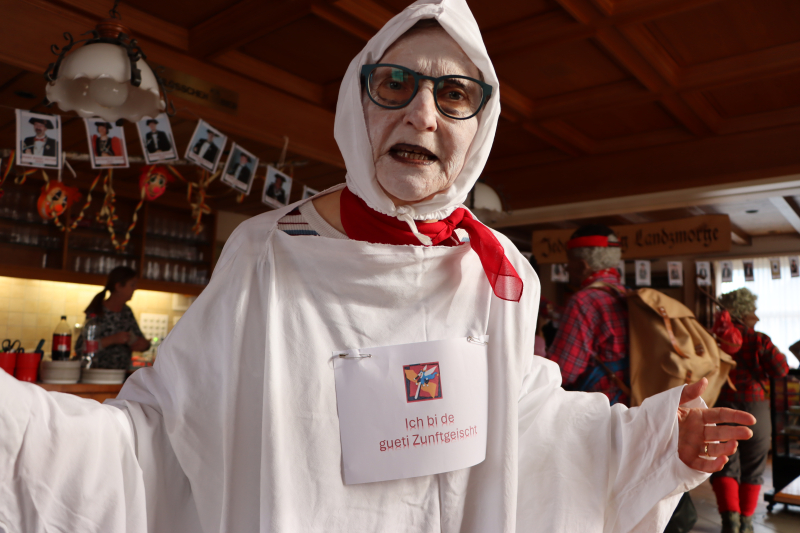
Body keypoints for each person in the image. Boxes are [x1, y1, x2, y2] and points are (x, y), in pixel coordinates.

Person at [0, 2, 756, 531]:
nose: (421, 113)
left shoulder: (500, 274)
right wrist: (19, 428)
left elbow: (535, 429)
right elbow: (161, 438)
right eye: (395, 84)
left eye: (454, 94)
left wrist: (654, 442)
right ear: (355, 104)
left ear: (480, 127)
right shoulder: (267, 253)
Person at [711, 288, 789, 533]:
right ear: (742, 313)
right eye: (753, 311)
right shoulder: (758, 339)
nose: (757, 316)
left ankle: (730, 521)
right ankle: (746, 522)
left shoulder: (713, 339)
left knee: (723, 461)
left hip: (721, 405)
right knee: (754, 466)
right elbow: (781, 370)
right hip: (755, 408)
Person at [546, 224, 631, 406]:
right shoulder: (626, 294)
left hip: (599, 411)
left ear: (582, 265)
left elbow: (562, 372)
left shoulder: (583, 301)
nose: (567, 269)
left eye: (569, 262)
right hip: (631, 404)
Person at [75, 266, 151, 369]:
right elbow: (80, 348)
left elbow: (141, 340)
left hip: (121, 374)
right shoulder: (97, 311)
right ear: (118, 286)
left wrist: (144, 345)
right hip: (96, 373)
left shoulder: (127, 312)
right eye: (132, 285)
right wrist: (112, 339)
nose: (135, 288)